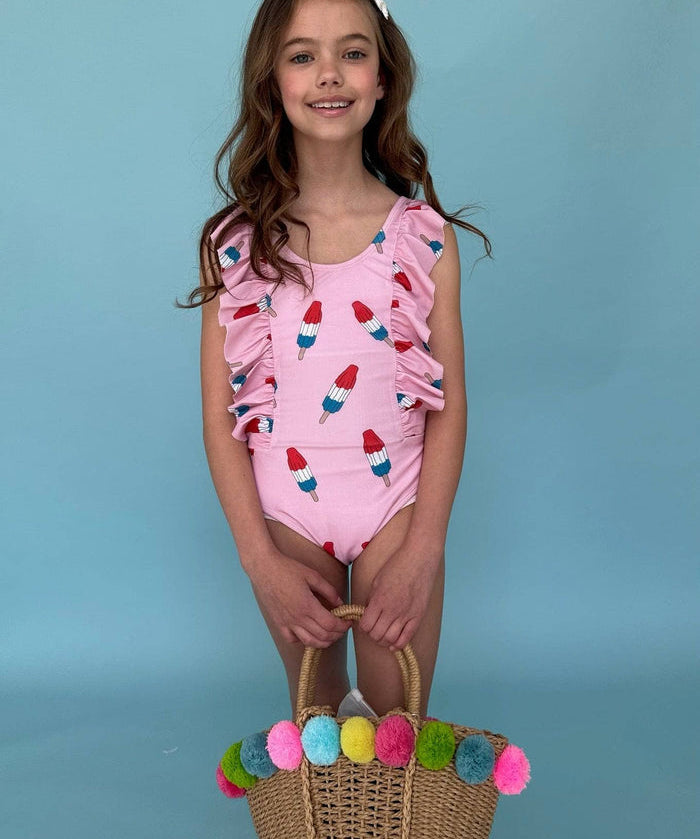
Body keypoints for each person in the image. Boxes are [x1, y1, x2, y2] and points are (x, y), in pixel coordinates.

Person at [179, 0, 492, 719]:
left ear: (383, 78)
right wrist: (260, 562)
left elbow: (449, 405)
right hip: (286, 513)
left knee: (394, 728)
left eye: (353, 53)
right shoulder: (234, 243)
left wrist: (425, 549)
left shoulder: (423, 237)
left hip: (397, 510)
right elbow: (219, 418)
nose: (329, 74)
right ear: (273, 81)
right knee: (316, 730)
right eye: (302, 56)